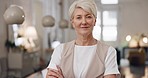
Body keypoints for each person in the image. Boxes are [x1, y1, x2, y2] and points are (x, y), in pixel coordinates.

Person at [46, 0, 120, 78]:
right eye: (79, 17)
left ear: (94, 21)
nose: (84, 22)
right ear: (73, 22)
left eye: (88, 17)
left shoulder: (109, 51)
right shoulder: (60, 50)